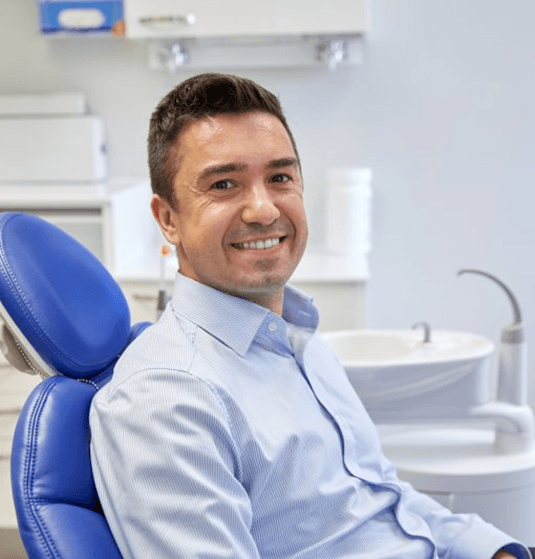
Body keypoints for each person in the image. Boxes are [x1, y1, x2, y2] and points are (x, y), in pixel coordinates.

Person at [89, 73, 529, 558]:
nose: (262, 209)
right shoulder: (167, 399)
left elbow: (384, 498)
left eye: (279, 177)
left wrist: (495, 551)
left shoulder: (300, 341)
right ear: (168, 218)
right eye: (224, 184)